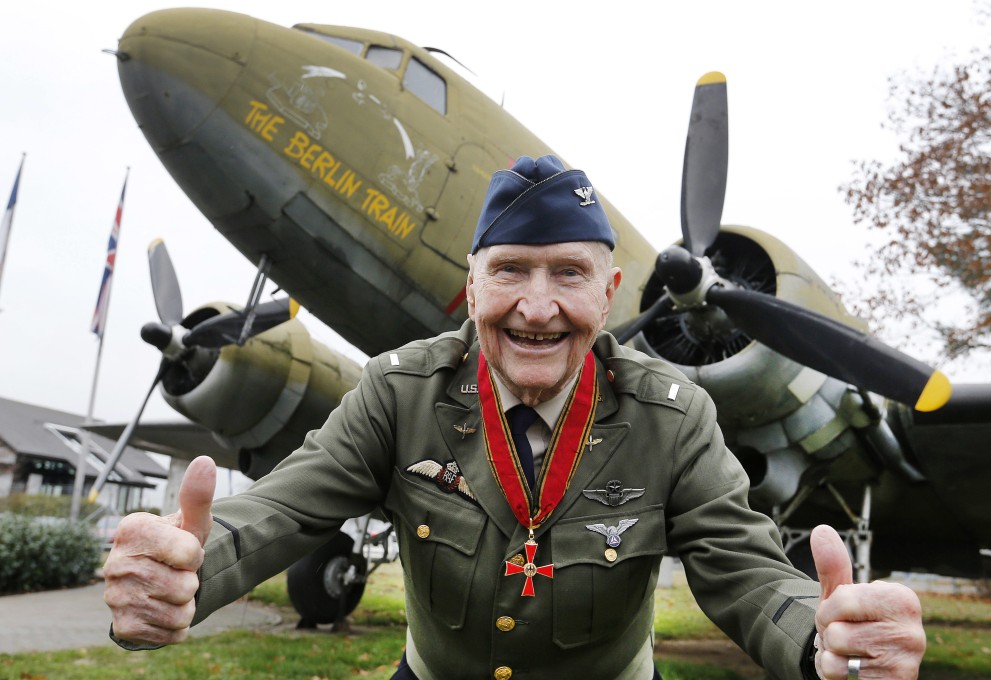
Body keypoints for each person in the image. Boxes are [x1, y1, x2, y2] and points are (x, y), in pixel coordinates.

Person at [104, 155, 926, 679]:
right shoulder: (399, 391)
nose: (538, 308)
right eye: (510, 273)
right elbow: (282, 508)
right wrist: (185, 571)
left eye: (569, 274)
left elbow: (745, 572)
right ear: (472, 289)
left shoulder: (674, 415)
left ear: (609, 294)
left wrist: (825, 644)